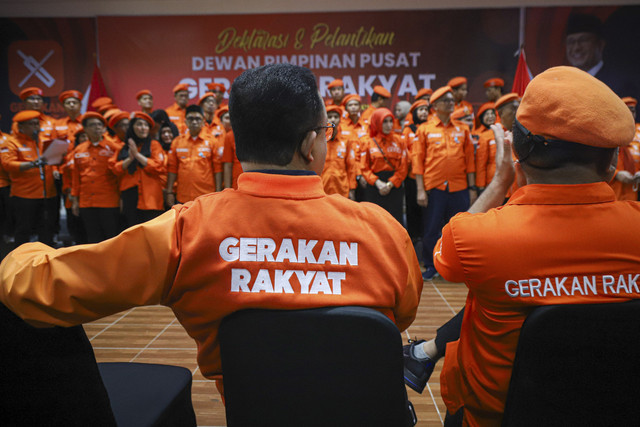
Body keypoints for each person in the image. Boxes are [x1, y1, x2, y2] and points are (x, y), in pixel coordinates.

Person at [0, 63, 423, 401]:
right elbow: (400, 316)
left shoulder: (187, 233)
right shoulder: (384, 232)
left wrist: (22, 253)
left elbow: (37, 291)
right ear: (311, 144)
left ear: (238, 143)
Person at [405, 66, 640, 426]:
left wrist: (499, 182)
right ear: (612, 163)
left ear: (517, 149)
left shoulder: (476, 237)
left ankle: (424, 353)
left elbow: (446, 260)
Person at [413, 86, 476, 280]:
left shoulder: (463, 128)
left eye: (451, 101)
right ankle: (431, 266)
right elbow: (417, 160)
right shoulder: (424, 129)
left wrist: (472, 188)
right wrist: (420, 190)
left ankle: (456, 266)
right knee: (431, 228)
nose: (451, 103)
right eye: (446, 101)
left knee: (458, 229)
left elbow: (469, 161)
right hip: (435, 187)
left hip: (459, 187)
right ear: (436, 106)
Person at [2, 111, 58, 247]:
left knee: (46, 230)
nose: (36, 127)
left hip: (47, 193)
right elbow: (8, 164)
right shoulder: (11, 143)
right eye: (31, 124)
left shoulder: (44, 141)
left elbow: (52, 162)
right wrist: (31, 164)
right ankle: (21, 261)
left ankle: (46, 259)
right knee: (23, 231)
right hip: (24, 195)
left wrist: (57, 165)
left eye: (37, 124)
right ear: (21, 127)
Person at [69, 112, 121, 243]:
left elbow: (120, 175)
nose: (97, 127)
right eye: (92, 125)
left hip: (109, 200)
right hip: (87, 201)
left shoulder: (114, 148)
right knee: (92, 237)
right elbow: (75, 178)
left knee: (111, 237)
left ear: (104, 128)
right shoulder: (79, 150)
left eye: (100, 124)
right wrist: (75, 201)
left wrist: (122, 198)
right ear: (85, 129)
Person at [565, 12, 639, 100]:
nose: (576, 47)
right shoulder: (564, 83)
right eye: (571, 41)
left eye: (583, 40)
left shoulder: (621, 85)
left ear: (600, 44)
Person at [111, 112, 166, 226]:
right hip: (130, 195)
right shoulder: (124, 147)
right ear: (132, 127)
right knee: (132, 231)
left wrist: (137, 155)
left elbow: (158, 167)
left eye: (146, 125)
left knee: (152, 231)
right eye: (139, 124)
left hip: (151, 196)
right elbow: (115, 169)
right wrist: (130, 159)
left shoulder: (154, 145)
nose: (143, 128)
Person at [360, 108, 408, 225]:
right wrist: (378, 183)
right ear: (377, 123)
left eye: (390, 121)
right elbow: (364, 167)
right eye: (384, 122)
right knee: (374, 222)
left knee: (395, 222)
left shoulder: (400, 141)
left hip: (394, 187)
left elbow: (403, 167)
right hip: (375, 187)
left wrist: (390, 184)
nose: (389, 125)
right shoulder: (368, 142)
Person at [166, 105, 222, 205]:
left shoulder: (212, 141)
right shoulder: (177, 142)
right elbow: (172, 169)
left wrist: (218, 192)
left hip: (206, 196)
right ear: (185, 121)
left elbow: (217, 169)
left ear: (203, 122)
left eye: (198, 119)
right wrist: (169, 191)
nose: (194, 122)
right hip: (183, 197)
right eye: (191, 119)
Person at [320, 106, 357, 199]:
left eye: (336, 117)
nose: (333, 119)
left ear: (340, 119)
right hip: (322, 188)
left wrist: (352, 188)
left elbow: (351, 165)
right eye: (330, 116)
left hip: (342, 189)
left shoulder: (345, 140)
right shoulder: (319, 140)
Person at [609, 96, 640, 200]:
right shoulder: (609, 133)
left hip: (634, 192)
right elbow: (597, 163)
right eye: (627, 110)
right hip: (613, 192)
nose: (631, 114)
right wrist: (617, 174)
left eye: (633, 111)